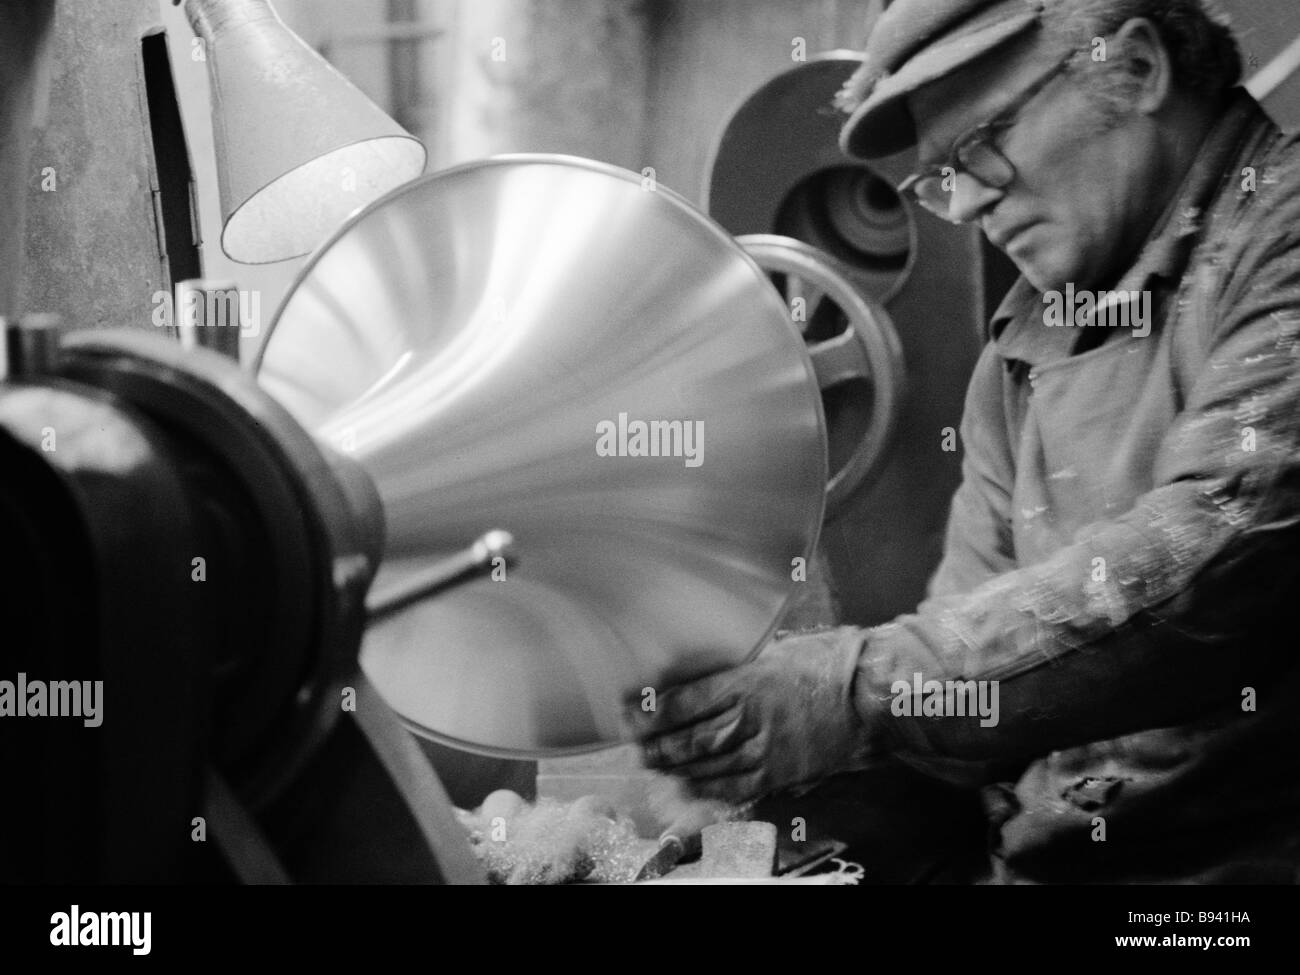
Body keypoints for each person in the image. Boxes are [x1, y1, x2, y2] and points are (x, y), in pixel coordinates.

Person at [625, 0, 1300, 883]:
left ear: (1137, 68)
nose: (968, 202)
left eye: (983, 142)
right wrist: (771, 816)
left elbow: (1219, 553)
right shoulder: (1026, 343)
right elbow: (953, 730)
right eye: (939, 176)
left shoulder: (1277, 238)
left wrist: (852, 688)